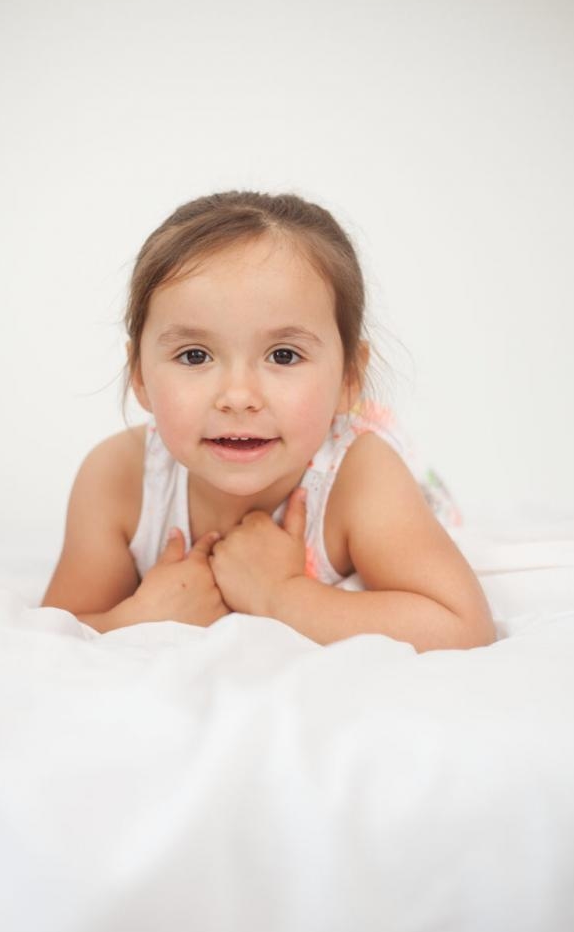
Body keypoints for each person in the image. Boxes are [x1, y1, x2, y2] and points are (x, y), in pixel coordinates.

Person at [41, 191, 495, 651]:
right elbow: (57, 628)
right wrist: (141, 619)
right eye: (195, 355)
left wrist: (281, 595)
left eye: (283, 355)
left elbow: (462, 626)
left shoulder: (361, 476)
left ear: (348, 378)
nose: (238, 397)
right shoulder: (117, 480)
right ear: (139, 374)